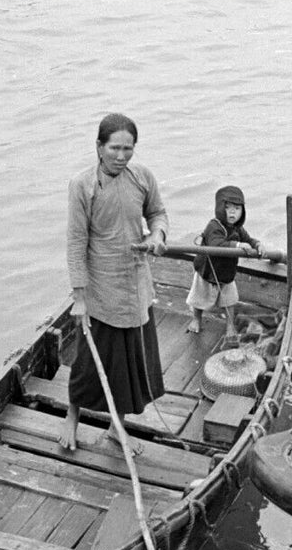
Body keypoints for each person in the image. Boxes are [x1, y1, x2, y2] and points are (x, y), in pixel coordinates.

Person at [57, 113, 168, 452]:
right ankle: (72, 418)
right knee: (91, 360)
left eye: (128, 149)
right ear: (99, 147)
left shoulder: (142, 177)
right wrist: (79, 296)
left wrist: (158, 235)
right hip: (100, 286)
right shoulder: (83, 185)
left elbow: (158, 213)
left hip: (135, 282)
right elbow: (76, 242)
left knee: (127, 362)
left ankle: (116, 427)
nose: (121, 156)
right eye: (115, 148)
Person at [186, 184, 264, 334]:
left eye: (238, 208)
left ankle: (230, 326)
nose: (233, 212)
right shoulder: (214, 226)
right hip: (207, 271)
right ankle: (196, 319)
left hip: (226, 273)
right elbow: (217, 245)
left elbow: (249, 239)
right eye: (229, 208)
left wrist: (257, 244)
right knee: (198, 298)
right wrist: (238, 245)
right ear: (221, 209)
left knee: (229, 300)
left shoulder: (237, 229)